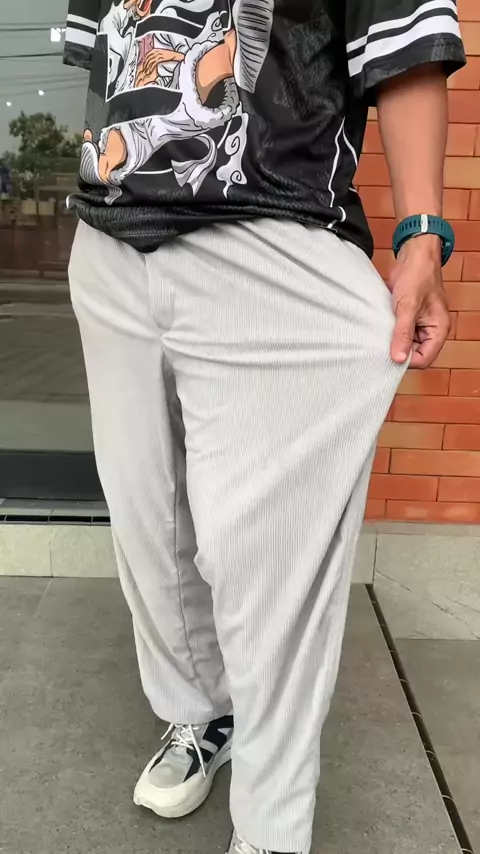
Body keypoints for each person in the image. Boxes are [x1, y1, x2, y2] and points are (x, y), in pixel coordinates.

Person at [65, 1, 465, 852]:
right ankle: (200, 713)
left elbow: (404, 45)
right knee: (151, 527)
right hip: (109, 245)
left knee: (267, 567)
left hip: (271, 238)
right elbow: (113, 64)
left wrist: (422, 235)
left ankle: (272, 830)